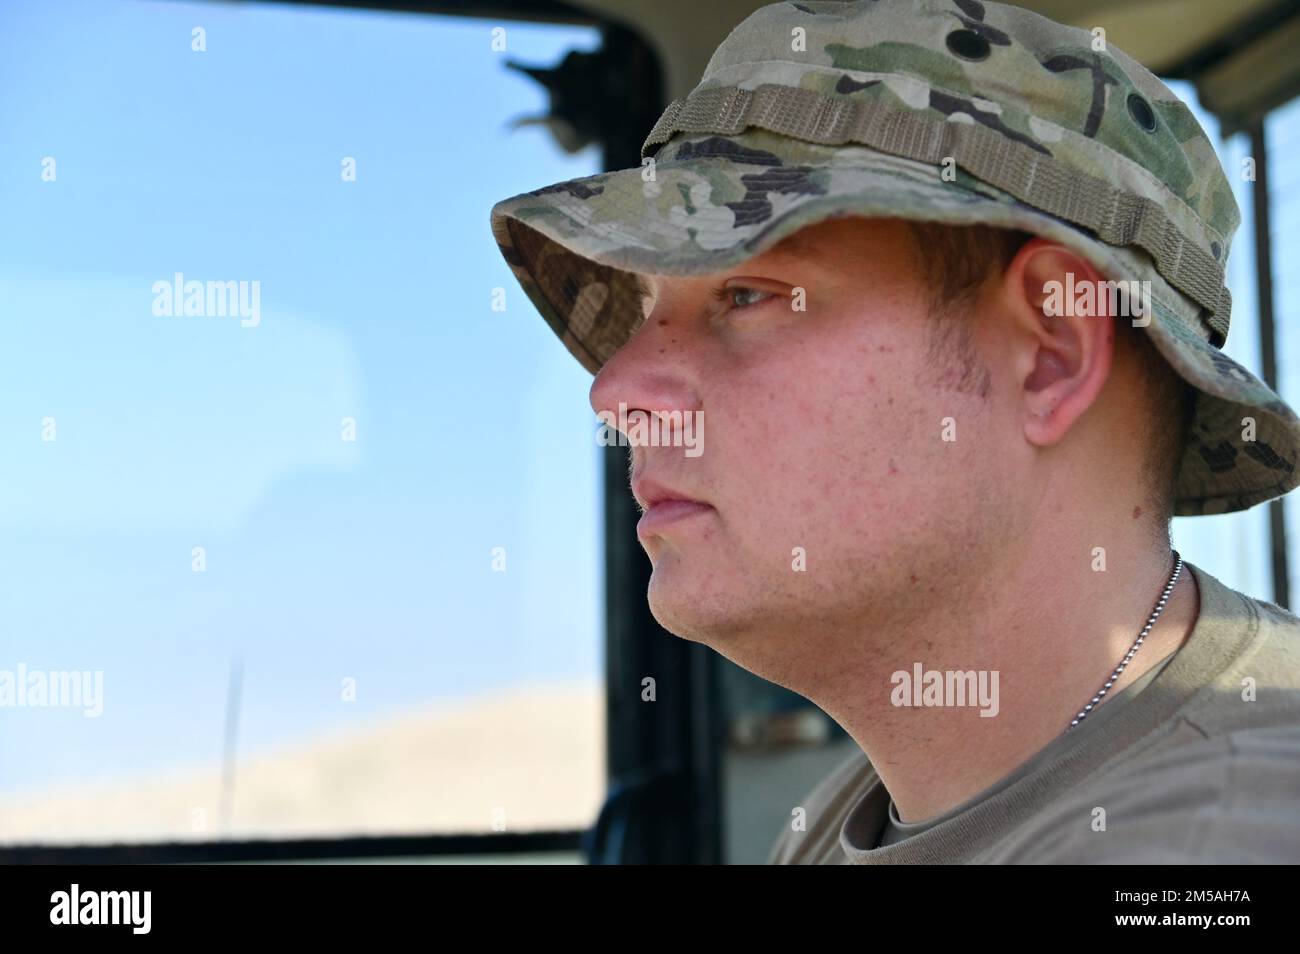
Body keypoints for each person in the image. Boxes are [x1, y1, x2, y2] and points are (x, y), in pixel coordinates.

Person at [488, 0, 1300, 863]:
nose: (616, 389)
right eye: (649, 306)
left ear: (1050, 353)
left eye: (746, 295)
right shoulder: (871, 805)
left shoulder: (1216, 845)